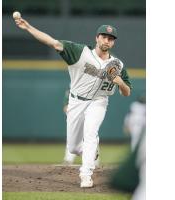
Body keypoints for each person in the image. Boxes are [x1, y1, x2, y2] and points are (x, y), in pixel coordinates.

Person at [14, 16, 132, 188]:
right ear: (97, 38)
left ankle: (86, 175)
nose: (107, 40)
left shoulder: (118, 64)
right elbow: (52, 42)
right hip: (76, 101)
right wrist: (28, 27)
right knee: (74, 148)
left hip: (99, 101)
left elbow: (127, 92)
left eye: (111, 38)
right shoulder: (80, 52)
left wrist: (120, 82)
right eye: (104, 37)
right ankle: (91, 153)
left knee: (91, 133)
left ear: (113, 43)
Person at [62, 89, 100, 167]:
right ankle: (69, 160)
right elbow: (66, 107)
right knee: (73, 140)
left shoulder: (90, 87)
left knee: (90, 136)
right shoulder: (71, 89)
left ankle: (94, 161)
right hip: (75, 115)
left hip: (86, 114)